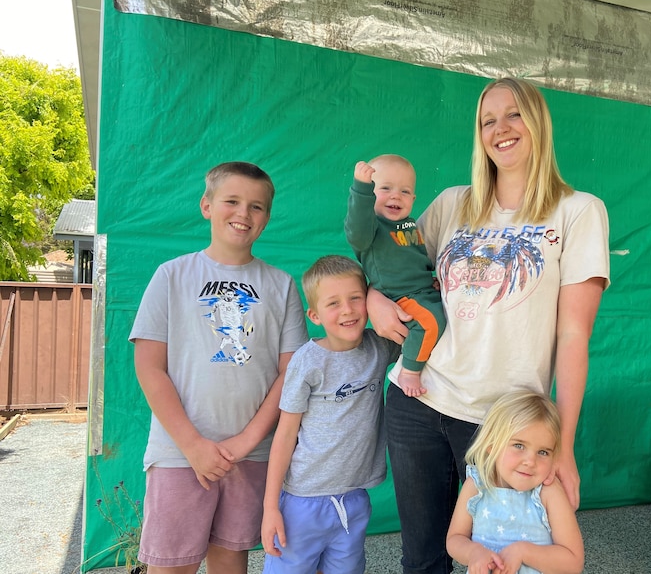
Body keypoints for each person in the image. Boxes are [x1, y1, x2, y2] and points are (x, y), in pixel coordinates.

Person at [368, 77, 610, 573]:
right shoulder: (452, 204)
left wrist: (561, 445)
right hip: (418, 399)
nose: (501, 128)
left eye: (514, 114)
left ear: (538, 122)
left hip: (504, 425)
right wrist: (372, 298)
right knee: (423, 556)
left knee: (500, 560)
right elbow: (394, 269)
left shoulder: (578, 211)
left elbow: (573, 336)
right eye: (487, 119)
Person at [129, 161, 310, 574]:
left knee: (231, 560)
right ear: (207, 205)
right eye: (232, 201)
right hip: (179, 453)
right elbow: (149, 367)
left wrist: (248, 439)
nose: (243, 214)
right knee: (171, 566)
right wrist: (193, 445)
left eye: (257, 206)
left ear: (267, 217)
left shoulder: (281, 285)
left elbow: (291, 374)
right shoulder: (172, 276)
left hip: (251, 454)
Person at [261, 255, 402, 574]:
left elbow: (418, 330)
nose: (348, 310)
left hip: (354, 498)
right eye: (334, 303)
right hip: (303, 501)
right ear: (315, 315)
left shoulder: (379, 347)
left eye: (356, 298)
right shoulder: (307, 361)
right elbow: (284, 435)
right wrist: (271, 507)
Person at [446, 390, 584, 574]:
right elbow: (455, 539)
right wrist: (473, 552)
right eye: (519, 445)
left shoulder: (548, 492)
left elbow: (573, 562)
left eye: (543, 452)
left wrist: (524, 552)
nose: (530, 461)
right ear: (491, 444)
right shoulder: (476, 486)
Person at [344, 154, 445, 397]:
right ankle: (409, 370)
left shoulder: (409, 225)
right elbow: (356, 229)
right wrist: (361, 188)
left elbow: (418, 258)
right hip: (399, 295)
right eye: (385, 188)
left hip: (421, 289)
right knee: (431, 322)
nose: (395, 195)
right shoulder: (372, 228)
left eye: (404, 191)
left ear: (413, 198)